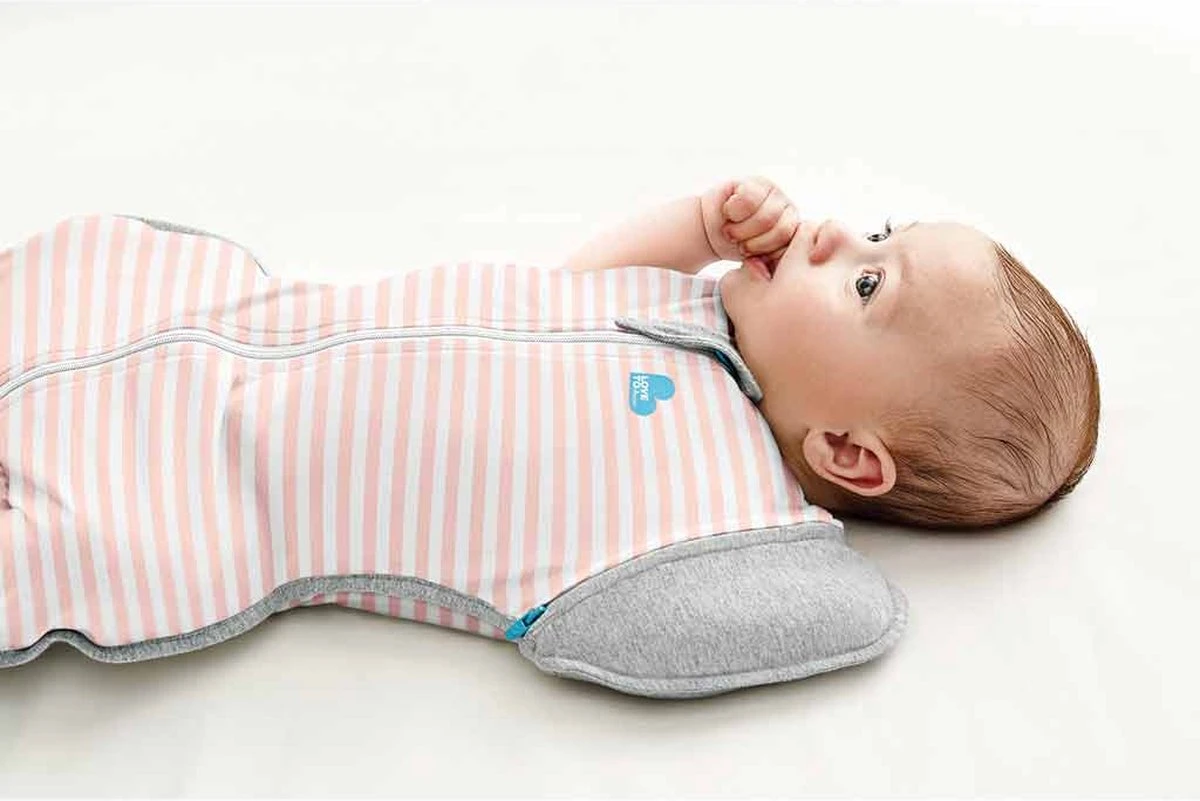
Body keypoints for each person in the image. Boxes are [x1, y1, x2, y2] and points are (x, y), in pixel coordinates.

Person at [564, 177, 1100, 529]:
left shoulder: (731, 503)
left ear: (846, 452)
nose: (834, 232)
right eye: (878, 235)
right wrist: (700, 231)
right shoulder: (708, 315)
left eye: (867, 284)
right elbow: (564, 298)